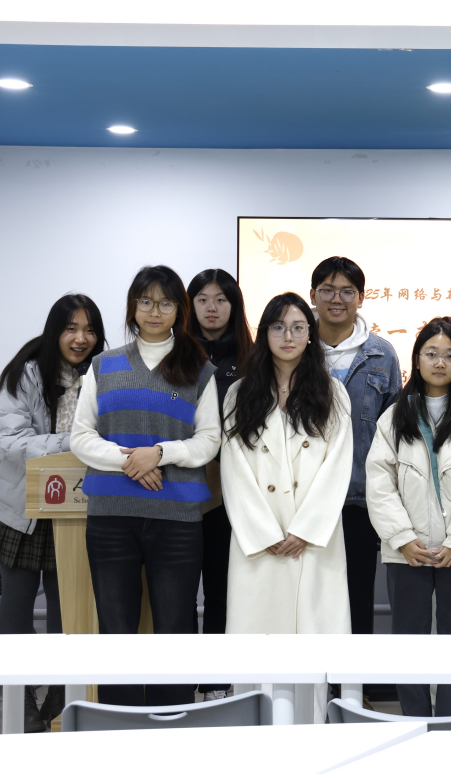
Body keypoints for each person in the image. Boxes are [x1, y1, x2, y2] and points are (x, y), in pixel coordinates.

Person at [71, 266, 220, 706]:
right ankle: (119, 719)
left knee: (175, 626)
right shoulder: (104, 365)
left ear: (179, 310)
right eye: (146, 301)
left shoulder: (198, 369)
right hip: (111, 518)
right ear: (133, 306)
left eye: (166, 302)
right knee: (116, 627)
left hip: (177, 519)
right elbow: (81, 436)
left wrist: (160, 453)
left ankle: (172, 718)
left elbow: (209, 440)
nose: (155, 311)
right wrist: (129, 461)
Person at [366, 317, 451, 717]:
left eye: (449, 355)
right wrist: (403, 539)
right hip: (408, 551)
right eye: (431, 353)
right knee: (408, 640)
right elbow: (379, 482)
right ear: (417, 359)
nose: (440, 362)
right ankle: (415, 720)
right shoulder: (394, 416)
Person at [0, 294, 105, 731]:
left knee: (69, 610)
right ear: (54, 331)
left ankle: (63, 693)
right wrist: (74, 443)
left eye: (89, 330)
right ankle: (19, 695)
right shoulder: (25, 374)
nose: (80, 339)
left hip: (76, 511)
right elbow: (11, 442)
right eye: (70, 329)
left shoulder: (105, 376)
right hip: (22, 509)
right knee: (15, 612)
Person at [220, 293, 353, 634]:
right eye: (278, 327)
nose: (288, 336)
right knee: (257, 632)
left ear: (310, 333)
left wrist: (306, 530)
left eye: (298, 327)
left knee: (315, 633)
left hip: (313, 536)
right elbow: (234, 470)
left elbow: (337, 466)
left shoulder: (332, 392)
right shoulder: (239, 394)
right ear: (264, 333)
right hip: (259, 538)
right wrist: (262, 531)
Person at [309, 256, 402, 636]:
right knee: (308, 598)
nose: (337, 299)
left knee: (357, 597)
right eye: (328, 290)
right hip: (304, 498)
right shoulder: (294, 347)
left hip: (359, 499)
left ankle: (354, 674)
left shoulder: (382, 354)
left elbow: (395, 433)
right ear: (312, 295)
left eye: (347, 291)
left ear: (361, 298)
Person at [186, 268, 253, 700]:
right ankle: (176, 682)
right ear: (190, 305)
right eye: (203, 299)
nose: (212, 308)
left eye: (221, 299)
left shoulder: (252, 359)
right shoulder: (174, 353)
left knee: (221, 589)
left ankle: (215, 681)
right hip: (176, 486)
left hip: (231, 493)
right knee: (175, 593)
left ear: (234, 305)